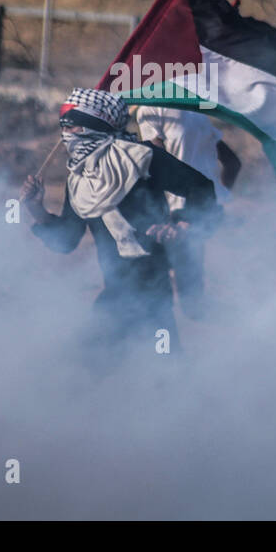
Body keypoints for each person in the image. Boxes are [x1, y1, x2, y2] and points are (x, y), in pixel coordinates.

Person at [19, 89, 221, 367]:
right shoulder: (79, 181)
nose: (66, 133)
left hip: (153, 290)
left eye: (72, 124)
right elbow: (66, 241)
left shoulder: (142, 157)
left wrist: (183, 224)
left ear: (94, 123)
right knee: (99, 367)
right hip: (117, 293)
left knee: (160, 367)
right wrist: (36, 209)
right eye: (62, 125)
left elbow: (201, 188)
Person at [131, 105, 240, 319]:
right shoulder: (194, 108)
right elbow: (233, 163)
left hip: (177, 209)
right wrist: (219, 195)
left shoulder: (150, 109)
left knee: (154, 288)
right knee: (189, 286)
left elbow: (156, 160)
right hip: (205, 208)